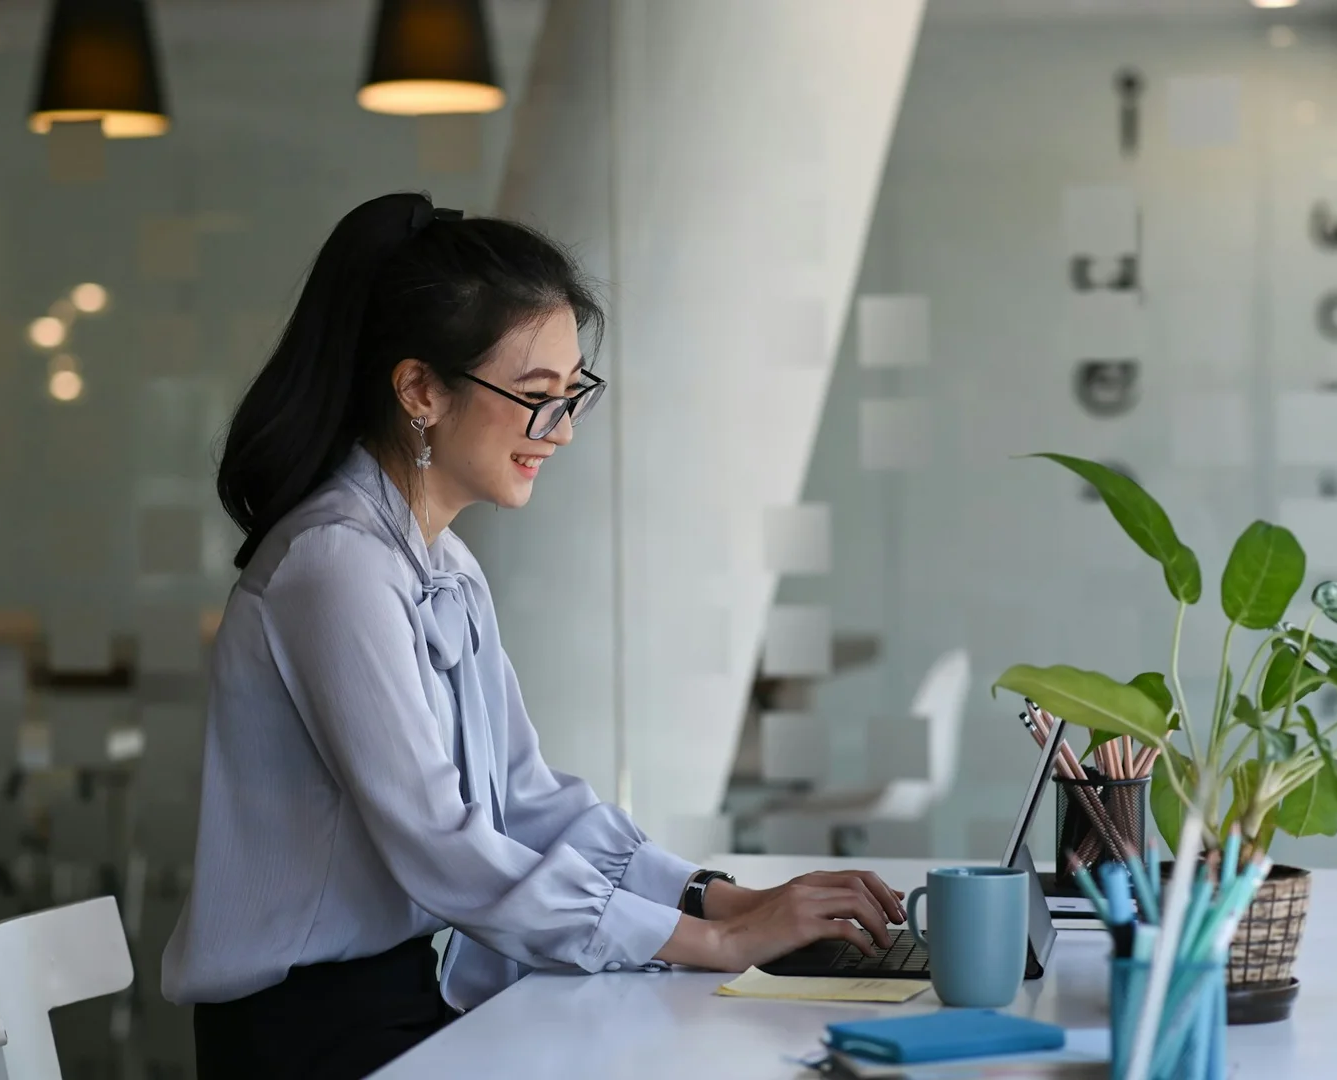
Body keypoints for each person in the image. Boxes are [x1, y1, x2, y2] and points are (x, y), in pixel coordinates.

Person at [161, 192, 905, 1079]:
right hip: (310, 1038)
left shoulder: (442, 564)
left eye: (571, 395)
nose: (559, 431)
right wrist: (711, 941)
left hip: (403, 1000)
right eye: (535, 396)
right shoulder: (336, 567)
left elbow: (528, 800)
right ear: (420, 391)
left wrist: (720, 898)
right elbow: (441, 848)